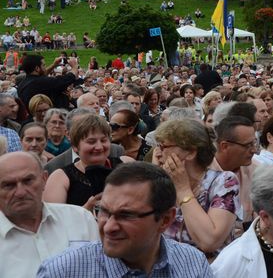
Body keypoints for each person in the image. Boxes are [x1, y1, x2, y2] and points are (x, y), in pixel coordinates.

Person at [37, 162, 212, 277]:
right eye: (103, 212)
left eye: (126, 215)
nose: (108, 227)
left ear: (165, 220)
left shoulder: (192, 264)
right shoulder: (63, 271)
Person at [0, 152, 99, 278]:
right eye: (9, 185)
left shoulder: (81, 219)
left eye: (28, 181)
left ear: (44, 179)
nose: (20, 192)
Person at [152, 119, 239, 260]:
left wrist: (183, 190)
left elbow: (209, 241)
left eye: (163, 147)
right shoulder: (162, 184)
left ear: (191, 152)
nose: (158, 153)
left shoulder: (223, 181)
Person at [43, 114, 134, 210]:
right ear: (75, 146)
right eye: (91, 142)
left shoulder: (126, 165)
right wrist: (87, 209)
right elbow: (55, 220)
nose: (99, 147)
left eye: (103, 140)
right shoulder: (61, 178)